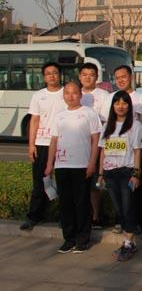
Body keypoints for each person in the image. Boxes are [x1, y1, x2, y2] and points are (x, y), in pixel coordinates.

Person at [44, 81, 102, 253]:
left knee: (81, 203)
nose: (71, 96)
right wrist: (49, 164)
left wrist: (92, 163)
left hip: (82, 165)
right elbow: (53, 141)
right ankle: (69, 239)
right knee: (66, 203)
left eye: (74, 92)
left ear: (80, 94)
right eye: (67, 93)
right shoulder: (59, 116)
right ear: (63, 96)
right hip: (62, 166)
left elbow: (96, 140)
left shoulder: (89, 113)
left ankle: (83, 239)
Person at [97, 91, 142, 261]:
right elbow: (103, 151)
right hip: (110, 174)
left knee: (128, 207)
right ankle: (128, 242)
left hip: (127, 173)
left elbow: (138, 152)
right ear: (113, 106)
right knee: (119, 209)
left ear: (129, 106)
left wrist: (136, 175)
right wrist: (101, 174)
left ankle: (128, 243)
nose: (121, 106)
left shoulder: (135, 126)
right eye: (117, 103)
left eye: (124, 103)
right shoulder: (107, 126)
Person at [21, 62, 66, 231]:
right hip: (42, 143)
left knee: (63, 182)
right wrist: (31, 145)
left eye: (55, 72)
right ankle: (34, 216)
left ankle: (64, 217)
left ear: (60, 74)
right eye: (48, 73)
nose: (52, 76)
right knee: (39, 181)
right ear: (44, 77)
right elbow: (34, 120)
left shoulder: (68, 93)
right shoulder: (38, 96)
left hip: (63, 143)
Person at [78, 62, 110, 230]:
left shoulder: (104, 95)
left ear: (96, 77)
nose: (87, 77)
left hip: (96, 144)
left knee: (94, 184)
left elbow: (105, 121)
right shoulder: (74, 93)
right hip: (77, 145)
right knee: (78, 184)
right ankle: (80, 216)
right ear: (79, 76)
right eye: (84, 74)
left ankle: (96, 217)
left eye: (91, 75)